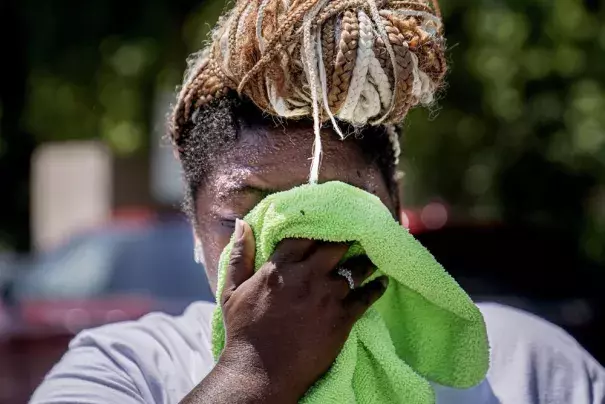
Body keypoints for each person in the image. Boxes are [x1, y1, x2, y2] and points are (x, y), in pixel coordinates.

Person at [31, 0, 604, 403]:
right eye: (245, 215)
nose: (295, 247)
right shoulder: (127, 368)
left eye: (339, 209)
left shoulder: (527, 367)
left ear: (395, 208)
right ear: (194, 227)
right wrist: (256, 371)